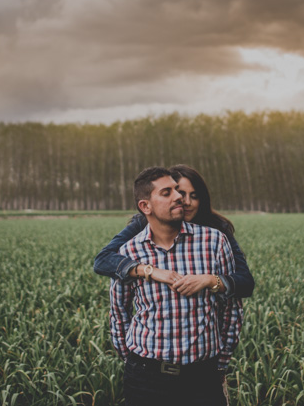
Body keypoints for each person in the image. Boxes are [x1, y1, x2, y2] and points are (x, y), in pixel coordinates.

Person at [109, 167, 243, 406]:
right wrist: (129, 358)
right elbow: (119, 310)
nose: (179, 197)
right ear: (145, 207)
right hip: (145, 378)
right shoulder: (129, 252)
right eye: (167, 192)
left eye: (178, 191)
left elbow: (231, 307)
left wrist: (221, 362)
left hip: (203, 376)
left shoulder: (214, 241)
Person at [94, 164, 255, 299]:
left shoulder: (217, 232)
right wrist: (150, 271)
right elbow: (103, 260)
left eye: (194, 196)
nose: (185, 201)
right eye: (178, 192)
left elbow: (245, 283)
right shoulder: (144, 223)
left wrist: (209, 280)